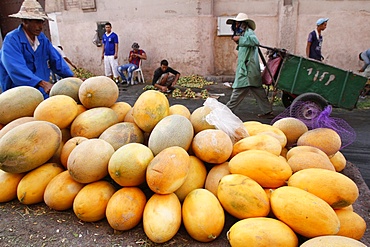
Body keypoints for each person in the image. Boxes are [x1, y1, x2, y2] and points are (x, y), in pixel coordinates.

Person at [0, 0, 73, 99]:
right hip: (18, 94)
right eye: (37, 22)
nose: (40, 27)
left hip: (41, 92)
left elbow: (56, 60)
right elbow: (16, 68)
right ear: (25, 21)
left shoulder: (42, 39)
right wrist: (42, 83)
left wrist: (72, 78)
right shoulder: (12, 40)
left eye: (42, 22)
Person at [225, 13, 273, 119]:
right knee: (258, 91)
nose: (236, 25)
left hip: (247, 69)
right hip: (248, 69)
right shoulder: (243, 33)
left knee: (237, 92)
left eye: (238, 22)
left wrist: (240, 40)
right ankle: (267, 111)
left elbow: (255, 42)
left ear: (243, 23)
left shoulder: (249, 33)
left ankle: (226, 112)